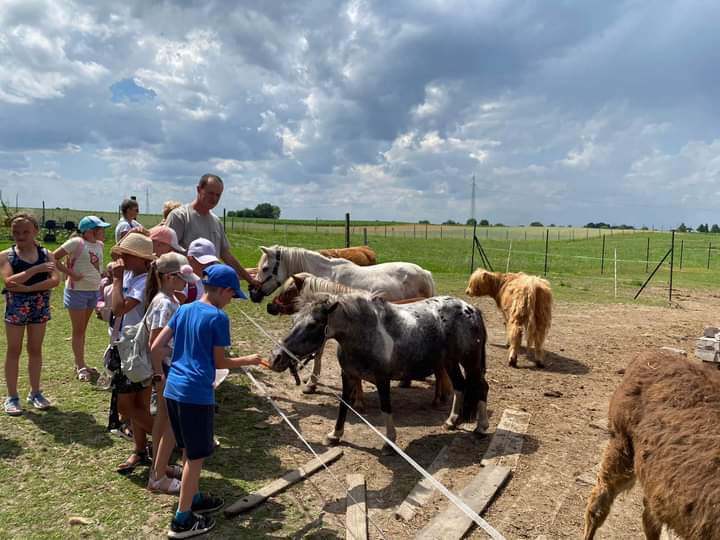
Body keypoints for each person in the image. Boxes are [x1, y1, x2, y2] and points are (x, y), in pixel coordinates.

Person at [151, 264, 264, 538]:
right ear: (224, 290)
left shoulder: (184, 308)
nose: (231, 301)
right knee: (195, 455)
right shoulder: (217, 318)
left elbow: (156, 347)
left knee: (189, 448)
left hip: (173, 389)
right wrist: (249, 360)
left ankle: (193, 495)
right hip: (197, 395)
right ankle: (182, 519)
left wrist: (161, 375)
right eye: (232, 296)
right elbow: (220, 362)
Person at [144, 253, 199, 494]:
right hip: (166, 369)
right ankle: (157, 477)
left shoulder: (166, 299)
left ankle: (160, 467)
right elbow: (155, 345)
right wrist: (159, 375)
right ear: (169, 277)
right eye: (182, 278)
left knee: (164, 421)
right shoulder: (165, 303)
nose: (186, 282)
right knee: (171, 425)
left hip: (166, 368)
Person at [1, 214, 60, 415]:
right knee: (14, 350)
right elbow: (9, 282)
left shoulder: (46, 253)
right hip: (16, 309)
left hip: (39, 306)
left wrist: (27, 288)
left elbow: (55, 279)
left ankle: (35, 392)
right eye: (16, 232)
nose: (20, 235)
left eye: (25, 231)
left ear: (35, 231)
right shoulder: (6, 255)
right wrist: (37, 269)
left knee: (35, 349)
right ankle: (12, 396)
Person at [109, 232, 156, 474]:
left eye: (126, 254)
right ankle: (141, 449)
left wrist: (116, 281)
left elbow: (118, 308)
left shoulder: (142, 281)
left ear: (140, 258)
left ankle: (166, 439)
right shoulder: (131, 274)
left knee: (126, 407)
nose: (121, 258)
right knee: (140, 403)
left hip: (134, 349)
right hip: (128, 345)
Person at [165, 173, 259, 290]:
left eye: (218, 195)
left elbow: (226, 254)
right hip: (183, 287)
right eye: (210, 193)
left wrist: (249, 279)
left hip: (209, 287)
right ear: (199, 189)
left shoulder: (216, 221)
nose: (214, 198)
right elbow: (166, 252)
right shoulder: (180, 216)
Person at [53, 215, 111, 381]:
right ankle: (80, 366)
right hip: (77, 292)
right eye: (101, 229)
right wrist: (71, 274)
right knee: (78, 331)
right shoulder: (76, 243)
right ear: (91, 231)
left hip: (93, 291)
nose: (104, 232)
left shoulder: (99, 245)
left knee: (82, 330)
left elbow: (96, 266)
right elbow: (53, 257)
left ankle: (81, 363)